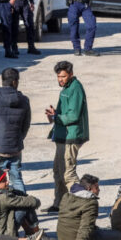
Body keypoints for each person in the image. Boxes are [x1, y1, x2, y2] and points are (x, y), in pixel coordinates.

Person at [45, 61, 89, 213]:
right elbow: (64, 113)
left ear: (70, 74)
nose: (60, 79)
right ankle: (59, 204)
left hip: (71, 136)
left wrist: (57, 117)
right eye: (58, 77)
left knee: (68, 173)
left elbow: (74, 115)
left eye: (63, 76)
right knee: (58, 171)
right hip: (61, 135)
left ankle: (85, 204)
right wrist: (54, 114)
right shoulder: (66, 88)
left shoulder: (75, 89)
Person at [0, 67, 31, 195]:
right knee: (17, 180)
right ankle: (23, 211)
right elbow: (26, 125)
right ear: (15, 82)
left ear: (2, 81)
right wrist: (18, 138)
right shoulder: (24, 100)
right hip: (15, 148)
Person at [0, 168, 47, 240]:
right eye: (4, 181)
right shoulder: (3, 198)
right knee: (26, 205)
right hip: (0, 235)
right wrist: (36, 201)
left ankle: (31, 233)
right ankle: (37, 234)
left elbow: (9, 192)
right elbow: (30, 202)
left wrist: (17, 193)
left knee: (21, 202)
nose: (7, 182)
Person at [57, 174, 121, 240]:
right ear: (89, 189)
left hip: (62, 239)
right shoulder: (90, 202)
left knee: (101, 230)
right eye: (96, 188)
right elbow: (86, 227)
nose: (99, 190)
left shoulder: (67, 195)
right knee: (118, 235)